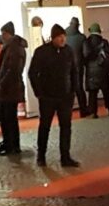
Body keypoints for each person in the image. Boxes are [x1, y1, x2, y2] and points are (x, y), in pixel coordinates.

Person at [28, 24, 80, 167]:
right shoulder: (42, 52)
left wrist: (73, 90)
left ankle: (65, 156)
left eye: (64, 37)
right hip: (47, 97)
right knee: (45, 126)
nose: (63, 39)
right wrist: (39, 92)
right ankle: (41, 156)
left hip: (65, 96)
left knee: (66, 127)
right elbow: (32, 73)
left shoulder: (68, 51)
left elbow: (74, 71)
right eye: (59, 37)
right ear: (53, 38)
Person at [0, 21, 27, 156]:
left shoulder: (14, 47)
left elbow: (12, 69)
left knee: (8, 118)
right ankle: (10, 144)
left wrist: (1, 83)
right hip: (10, 87)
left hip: (9, 88)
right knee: (8, 118)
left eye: (3, 33)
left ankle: (11, 145)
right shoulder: (13, 46)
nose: (2, 36)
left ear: (6, 33)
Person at [83, 22, 109, 118]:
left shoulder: (86, 42)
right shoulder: (104, 42)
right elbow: (108, 56)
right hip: (102, 70)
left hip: (91, 71)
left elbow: (85, 55)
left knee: (92, 93)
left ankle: (93, 112)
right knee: (106, 91)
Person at [65, 17, 91, 114]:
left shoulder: (64, 36)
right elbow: (86, 53)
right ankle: (83, 110)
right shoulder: (81, 37)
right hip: (78, 66)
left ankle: (67, 111)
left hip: (66, 67)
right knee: (79, 88)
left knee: (68, 89)